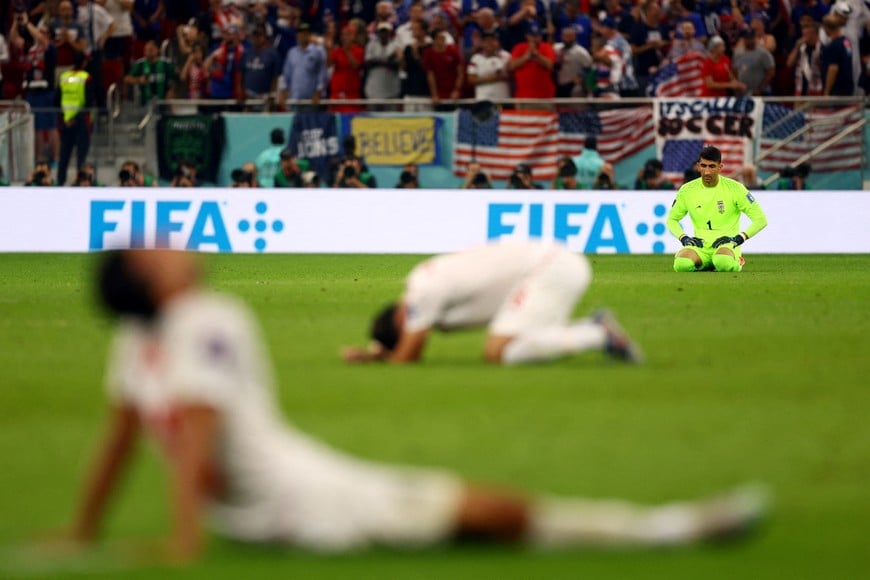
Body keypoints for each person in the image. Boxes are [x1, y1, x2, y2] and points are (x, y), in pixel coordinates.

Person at [51, 248, 767, 564]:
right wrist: (183, 542)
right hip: (307, 498)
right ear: (152, 281)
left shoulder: (134, 343)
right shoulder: (210, 317)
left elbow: (121, 439)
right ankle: (667, 531)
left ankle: (662, 527)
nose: (171, 247)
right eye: (155, 251)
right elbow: (199, 431)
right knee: (497, 513)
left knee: (485, 510)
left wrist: (84, 528)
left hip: (257, 509)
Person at [342, 240, 643, 365]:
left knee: (499, 351)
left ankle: (597, 333)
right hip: (551, 265)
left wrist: (379, 359)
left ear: (400, 319)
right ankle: (592, 330)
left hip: (548, 268)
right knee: (510, 345)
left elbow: (410, 355)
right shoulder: (424, 285)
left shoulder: (421, 290)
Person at [666, 145, 768, 273]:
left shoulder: (736, 188)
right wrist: (684, 238)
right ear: (698, 166)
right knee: (681, 265)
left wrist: (738, 239)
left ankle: (737, 261)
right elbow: (672, 219)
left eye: (712, 166)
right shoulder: (687, 190)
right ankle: (707, 264)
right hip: (701, 247)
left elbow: (761, 219)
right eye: (703, 166)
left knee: (723, 262)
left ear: (720, 167)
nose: (707, 171)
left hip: (727, 245)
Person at [56, 50, 93, 186]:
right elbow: (89, 100)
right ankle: (80, 182)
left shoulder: (63, 76)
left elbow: (57, 100)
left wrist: (66, 117)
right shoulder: (86, 77)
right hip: (81, 120)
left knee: (64, 154)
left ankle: (60, 182)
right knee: (81, 156)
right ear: (84, 63)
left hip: (65, 120)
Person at [278, 22, 327, 110]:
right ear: (297, 35)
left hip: (311, 101)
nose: (303, 35)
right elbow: (286, 75)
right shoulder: (291, 53)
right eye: (301, 33)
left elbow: (321, 75)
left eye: (306, 33)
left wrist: (318, 92)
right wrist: (283, 91)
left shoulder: (317, 52)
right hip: (295, 99)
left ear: (309, 35)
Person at [124, 39, 176, 106]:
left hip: (163, 102)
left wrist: (171, 92)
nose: (148, 52)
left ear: (157, 50)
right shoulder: (140, 64)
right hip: (145, 104)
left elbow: (174, 80)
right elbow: (126, 79)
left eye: (151, 49)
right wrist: (138, 80)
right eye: (146, 50)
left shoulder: (166, 64)